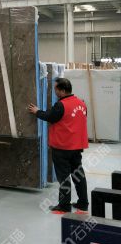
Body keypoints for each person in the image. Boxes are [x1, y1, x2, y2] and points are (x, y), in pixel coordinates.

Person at [28, 77, 89, 214]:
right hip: (77, 146)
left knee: (64, 178)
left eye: (56, 89)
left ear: (62, 91)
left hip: (63, 147)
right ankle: (83, 203)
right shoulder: (82, 103)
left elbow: (50, 117)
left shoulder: (61, 105)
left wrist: (37, 111)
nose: (55, 91)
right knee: (78, 175)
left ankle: (64, 206)